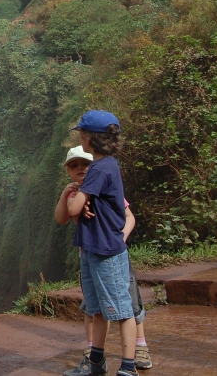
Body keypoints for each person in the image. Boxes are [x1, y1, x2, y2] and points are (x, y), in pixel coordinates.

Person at [55, 146, 153, 376]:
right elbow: (63, 216)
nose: (80, 169)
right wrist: (65, 197)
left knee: (126, 304)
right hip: (89, 256)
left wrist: (121, 236)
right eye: (74, 165)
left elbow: (128, 216)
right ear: (68, 170)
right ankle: (95, 358)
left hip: (110, 253)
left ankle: (137, 352)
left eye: (85, 164)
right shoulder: (73, 193)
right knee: (96, 308)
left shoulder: (105, 187)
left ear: (95, 166)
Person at [65, 110, 138, 376]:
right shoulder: (108, 166)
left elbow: (73, 210)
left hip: (106, 250)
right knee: (97, 309)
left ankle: (128, 367)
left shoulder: (98, 168)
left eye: (81, 133)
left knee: (121, 309)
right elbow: (97, 201)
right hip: (94, 247)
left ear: (89, 138)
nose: (80, 138)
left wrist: (73, 198)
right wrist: (85, 202)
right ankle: (96, 362)